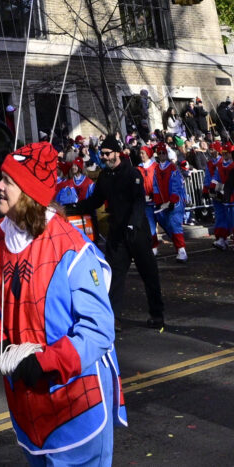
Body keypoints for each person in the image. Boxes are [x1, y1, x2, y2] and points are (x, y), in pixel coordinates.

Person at [0, 143, 122, 467]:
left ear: (31, 194)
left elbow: (99, 330)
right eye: (1, 177)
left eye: (9, 180)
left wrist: (45, 363)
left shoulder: (72, 249)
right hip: (27, 404)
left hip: (77, 404)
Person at [90, 140, 163, 329]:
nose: (104, 157)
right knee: (114, 275)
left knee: (149, 273)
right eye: (102, 153)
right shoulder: (104, 176)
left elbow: (139, 202)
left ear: (117, 153)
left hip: (136, 231)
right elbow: (94, 200)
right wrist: (69, 209)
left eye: (107, 153)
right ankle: (113, 317)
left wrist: (133, 224)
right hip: (117, 233)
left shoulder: (132, 173)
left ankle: (157, 315)